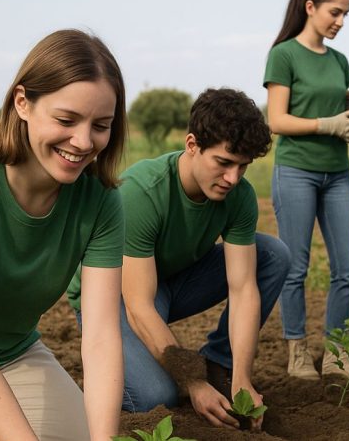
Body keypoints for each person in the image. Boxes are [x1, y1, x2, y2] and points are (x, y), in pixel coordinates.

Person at [67, 88, 290, 431]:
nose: (233, 177)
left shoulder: (239, 196)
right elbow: (139, 304)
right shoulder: (142, 193)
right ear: (191, 145)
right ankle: (113, 372)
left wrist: (242, 378)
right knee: (157, 396)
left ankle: (218, 364)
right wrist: (192, 383)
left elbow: (244, 288)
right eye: (223, 162)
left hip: (174, 281)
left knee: (273, 254)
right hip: (115, 297)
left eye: (243, 166)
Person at [0, 29, 127, 440]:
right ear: (23, 103)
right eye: (66, 120)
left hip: (14, 353)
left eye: (101, 125)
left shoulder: (99, 200)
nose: (82, 142)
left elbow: (100, 338)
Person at [263, 0, 349, 380]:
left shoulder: (339, 60)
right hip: (296, 171)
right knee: (295, 267)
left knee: (348, 268)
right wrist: (326, 125)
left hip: (338, 175)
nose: (341, 21)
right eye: (335, 12)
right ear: (310, 7)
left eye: (346, 14)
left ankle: (337, 354)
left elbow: (346, 109)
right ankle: (297, 351)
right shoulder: (284, 55)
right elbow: (275, 120)